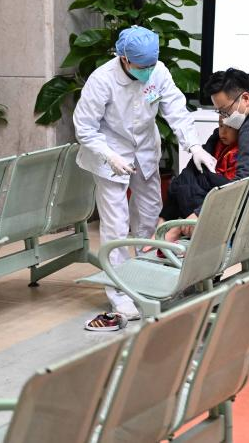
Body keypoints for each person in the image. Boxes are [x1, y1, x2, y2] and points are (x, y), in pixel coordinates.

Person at [73, 26, 218, 331]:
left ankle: (148, 277)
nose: (148, 70)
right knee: (116, 224)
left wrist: (194, 146)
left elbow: (176, 110)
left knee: (151, 216)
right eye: (142, 66)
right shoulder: (102, 80)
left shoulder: (157, 71)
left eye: (151, 64)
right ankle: (120, 292)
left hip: (145, 151)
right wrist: (109, 155)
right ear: (124, 59)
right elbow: (84, 128)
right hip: (110, 153)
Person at [147, 117, 242, 247]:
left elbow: (227, 185)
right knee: (181, 181)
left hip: (219, 203)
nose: (223, 132)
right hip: (205, 195)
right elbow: (195, 168)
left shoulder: (239, 152)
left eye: (229, 127)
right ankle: (163, 228)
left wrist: (206, 175)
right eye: (220, 126)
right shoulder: (216, 141)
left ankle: (172, 230)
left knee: (186, 184)